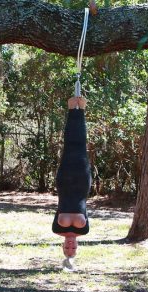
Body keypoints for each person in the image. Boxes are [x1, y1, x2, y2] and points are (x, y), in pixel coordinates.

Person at [52, 96, 92, 259]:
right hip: (82, 183)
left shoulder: (57, 229)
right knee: (81, 148)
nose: (70, 246)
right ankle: (81, 111)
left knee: (68, 148)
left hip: (65, 182)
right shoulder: (84, 230)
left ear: (62, 246)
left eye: (67, 249)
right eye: (73, 249)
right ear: (77, 247)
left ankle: (71, 110)